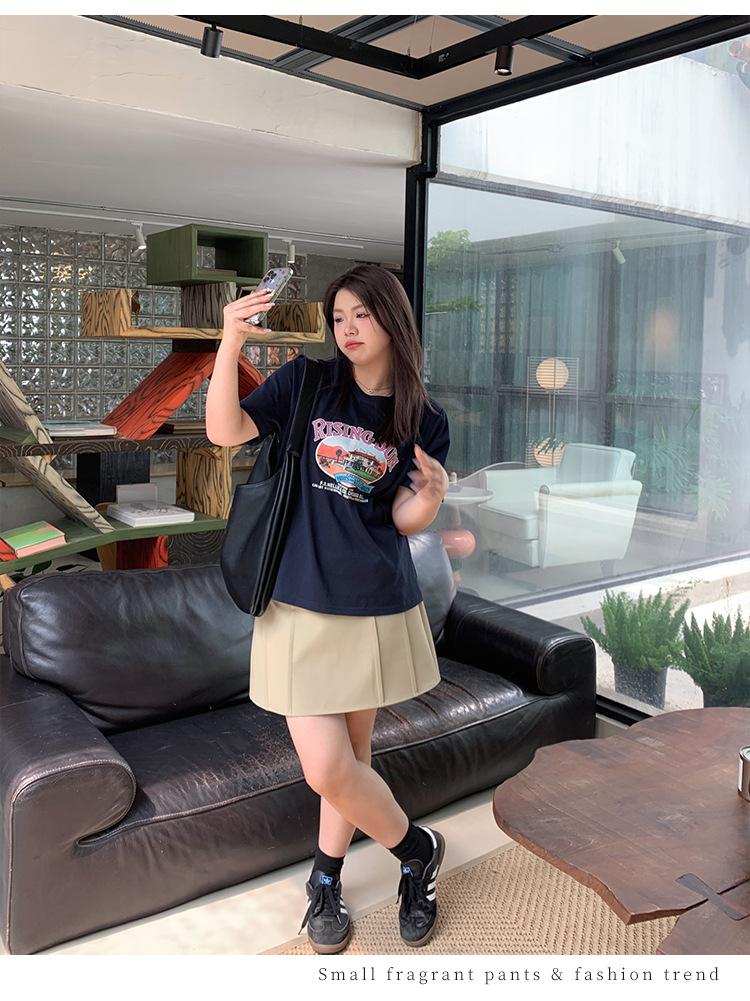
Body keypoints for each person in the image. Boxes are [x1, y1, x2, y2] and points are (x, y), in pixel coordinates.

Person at [206, 264, 451, 954]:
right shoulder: (309, 383)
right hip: (298, 602)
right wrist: (230, 341)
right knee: (327, 767)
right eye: (338, 317)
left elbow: (399, 520)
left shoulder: (424, 419)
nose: (347, 328)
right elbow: (225, 431)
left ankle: (326, 878)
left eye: (361, 315)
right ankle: (416, 849)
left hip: (373, 602)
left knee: (353, 758)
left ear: (392, 321)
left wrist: (431, 498)